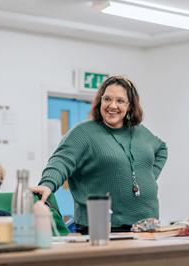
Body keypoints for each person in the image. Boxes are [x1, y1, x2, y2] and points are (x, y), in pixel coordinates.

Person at [32, 75, 168, 234]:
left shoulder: (140, 132)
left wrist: (148, 177)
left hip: (148, 223)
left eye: (120, 101)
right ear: (100, 101)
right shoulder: (83, 133)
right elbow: (61, 161)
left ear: (130, 106)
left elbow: (162, 149)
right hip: (103, 227)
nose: (113, 105)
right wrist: (47, 184)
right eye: (107, 99)